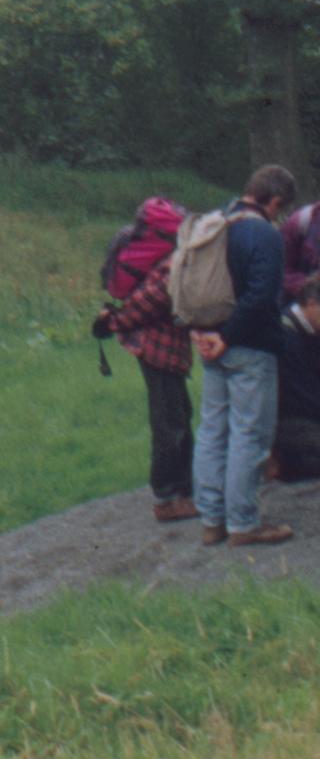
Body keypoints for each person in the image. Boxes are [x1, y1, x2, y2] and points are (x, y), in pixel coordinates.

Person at [189, 164, 299, 548]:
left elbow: (190, 283)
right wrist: (228, 336)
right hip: (248, 346)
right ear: (275, 201)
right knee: (249, 434)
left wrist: (203, 333)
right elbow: (262, 296)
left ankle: (211, 520)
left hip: (209, 340)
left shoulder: (214, 222)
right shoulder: (264, 233)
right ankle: (243, 524)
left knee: (212, 432)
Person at [93, 259, 197, 523]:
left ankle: (185, 489)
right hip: (157, 350)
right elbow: (149, 300)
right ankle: (166, 498)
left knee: (180, 414)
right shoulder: (175, 266)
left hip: (168, 351)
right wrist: (115, 322)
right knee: (169, 422)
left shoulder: (181, 262)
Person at [273, 272, 320, 484]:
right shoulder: (286, 336)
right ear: (311, 304)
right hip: (288, 421)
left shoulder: (310, 332)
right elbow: (300, 396)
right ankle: (284, 464)